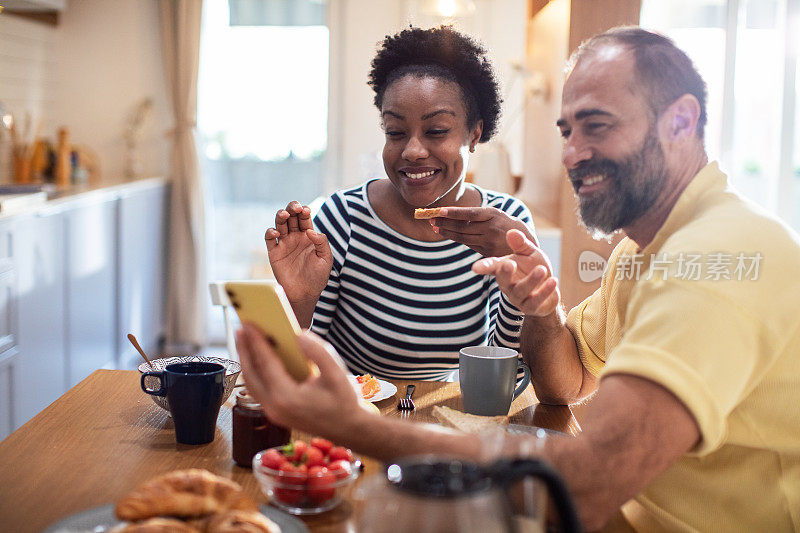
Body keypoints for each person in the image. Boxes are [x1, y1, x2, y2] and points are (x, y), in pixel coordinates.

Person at [238, 26, 800, 531]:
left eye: (597, 126)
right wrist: (541, 303)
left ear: (681, 121)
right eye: (567, 131)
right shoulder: (640, 252)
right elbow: (569, 383)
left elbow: (584, 481)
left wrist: (355, 427)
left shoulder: (720, 255)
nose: (573, 155)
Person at [264, 26, 536, 380]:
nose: (412, 150)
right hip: (356, 415)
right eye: (395, 132)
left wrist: (519, 293)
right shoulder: (343, 218)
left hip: (447, 417)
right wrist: (298, 304)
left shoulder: (504, 222)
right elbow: (298, 378)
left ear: (474, 133)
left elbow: (505, 377)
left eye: (436, 131)